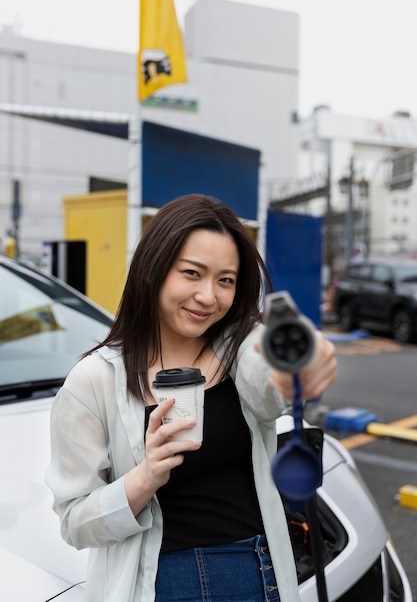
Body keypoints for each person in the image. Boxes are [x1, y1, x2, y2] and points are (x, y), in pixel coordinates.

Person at [46, 194, 337, 602]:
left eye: (225, 280)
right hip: (163, 585)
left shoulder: (241, 348)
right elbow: (75, 523)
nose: (208, 296)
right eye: (192, 273)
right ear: (154, 269)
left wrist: (299, 367)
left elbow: (271, 380)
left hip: (262, 575)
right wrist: (145, 477)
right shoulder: (93, 379)